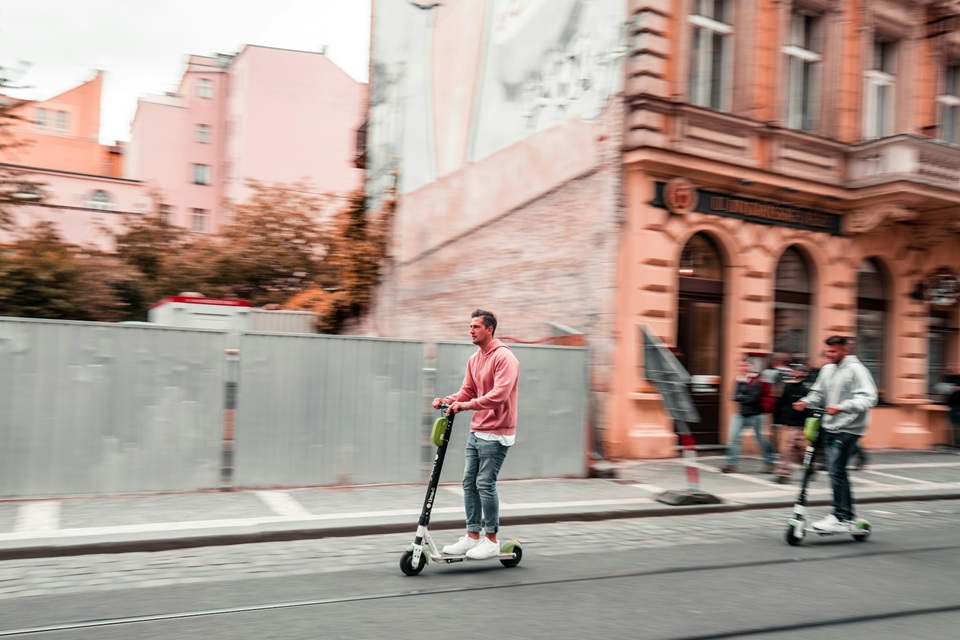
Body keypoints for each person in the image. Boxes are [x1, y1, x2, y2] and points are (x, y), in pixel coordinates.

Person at [433, 309, 520, 560]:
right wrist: (449, 400)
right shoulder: (474, 359)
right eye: (470, 326)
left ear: (489, 329)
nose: (471, 330)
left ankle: (491, 539)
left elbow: (499, 395)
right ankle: (472, 536)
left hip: (497, 431)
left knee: (485, 483)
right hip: (477, 430)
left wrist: (466, 406)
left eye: (476, 327)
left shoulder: (504, 357)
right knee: (468, 483)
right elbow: (468, 391)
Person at [793, 335, 877, 533]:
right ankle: (847, 516)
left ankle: (840, 517)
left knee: (836, 470)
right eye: (828, 351)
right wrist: (806, 402)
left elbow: (869, 398)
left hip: (849, 428)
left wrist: (842, 407)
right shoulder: (827, 369)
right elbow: (818, 393)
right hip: (829, 426)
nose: (829, 355)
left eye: (834, 351)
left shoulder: (857, 370)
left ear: (845, 350)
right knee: (837, 471)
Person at [721, 358, 776, 474]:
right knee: (733, 438)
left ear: (751, 366)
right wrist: (743, 396)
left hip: (756, 415)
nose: (743, 368)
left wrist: (742, 396)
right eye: (741, 366)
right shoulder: (739, 379)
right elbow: (734, 396)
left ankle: (770, 462)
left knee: (761, 439)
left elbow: (753, 398)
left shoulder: (758, 380)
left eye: (745, 365)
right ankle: (730, 465)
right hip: (741, 414)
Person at [772, 363, 814, 484]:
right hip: (787, 423)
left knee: (796, 449)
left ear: (803, 373)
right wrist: (777, 420)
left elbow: (810, 407)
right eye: (794, 370)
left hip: (801, 424)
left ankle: (788, 472)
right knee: (790, 449)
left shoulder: (806, 389)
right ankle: (789, 472)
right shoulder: (787, 386)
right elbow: (779, 404)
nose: (795, 372)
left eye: (798, 371)